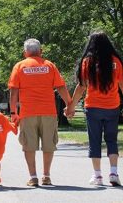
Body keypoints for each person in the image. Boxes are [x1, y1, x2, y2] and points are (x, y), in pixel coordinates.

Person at [8, 38, 71, 186]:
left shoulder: (20, 66)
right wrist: (70, 104)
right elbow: (61, 87)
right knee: (49, 144)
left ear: (25, 53)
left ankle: (33, 177)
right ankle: (46, 176)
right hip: (48, 111)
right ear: (40, 52)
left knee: (29, 145)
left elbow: (13, 91)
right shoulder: (49, 66)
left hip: (27, 112)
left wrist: (13, 112)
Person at [65, 31, 122, 186]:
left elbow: (81, 87)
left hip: (93, 107)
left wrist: (70, 107)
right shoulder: (116, 61)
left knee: (94, 141)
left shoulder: (88, 61)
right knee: (112, 140)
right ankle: (114, 173)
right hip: (113, 106)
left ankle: (97, 176)